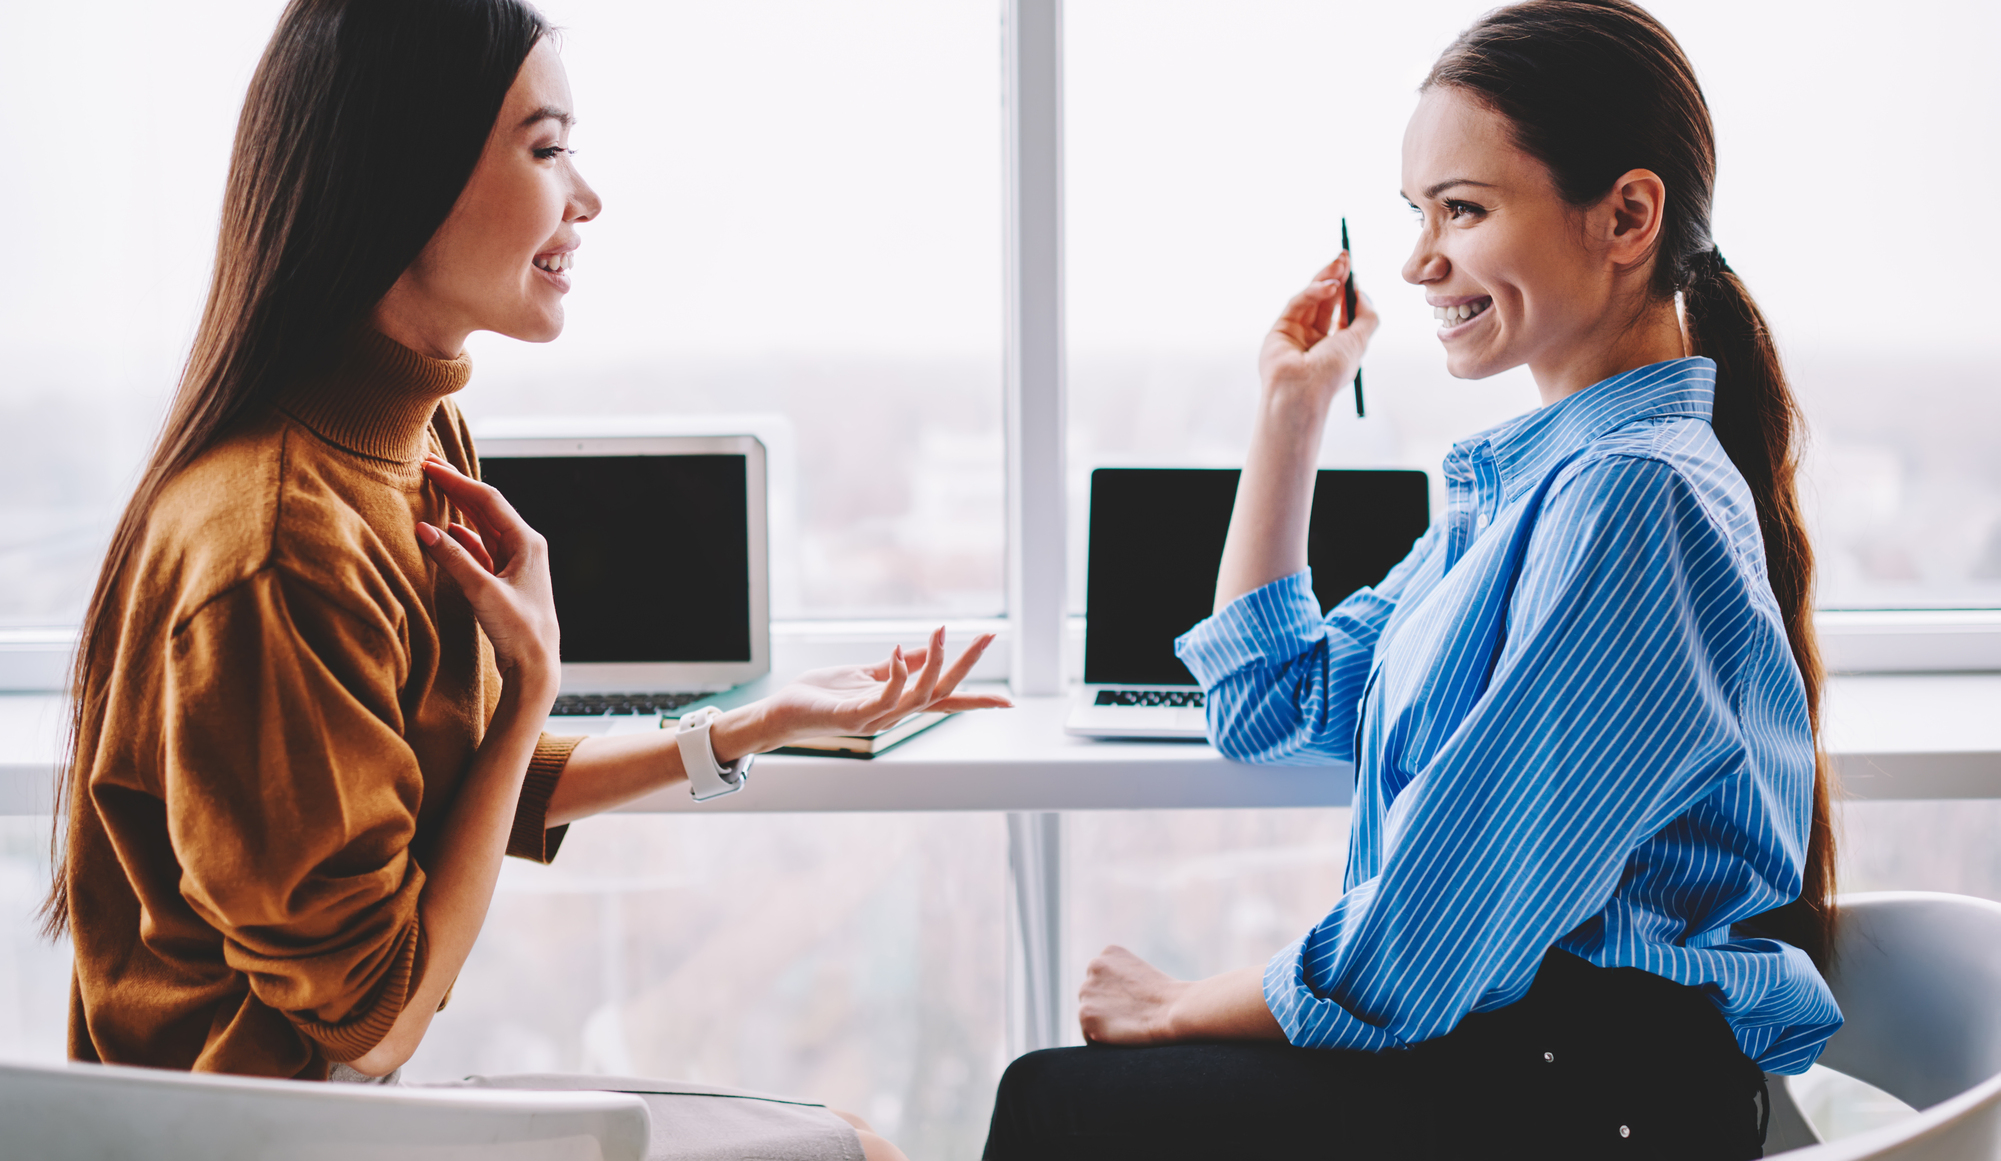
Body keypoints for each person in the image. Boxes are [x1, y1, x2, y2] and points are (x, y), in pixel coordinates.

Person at [46, 2, 1008, 1158]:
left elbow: (443, 790)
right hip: (270, 1137)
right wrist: (532, 694)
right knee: (854, 1150)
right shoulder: (275, 543)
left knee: (848, 1138)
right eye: (547, 149)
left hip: (328, 1112)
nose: (586, 200)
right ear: (406, 169)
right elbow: (376, 1020)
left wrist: (757, 726)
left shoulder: (419, 431)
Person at [983, 2, 1840, 1157]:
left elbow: (1434, 931)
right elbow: (1267, 700)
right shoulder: (1527, 499)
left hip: (1591, 1091)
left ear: (1627, 216)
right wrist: (1292, 410)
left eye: (1463, 210)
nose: (1418, 259)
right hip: (1525, 1055)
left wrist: (1187, 1006)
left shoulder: (1633, 501)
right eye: (1415, 213)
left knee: (1055, 1103)